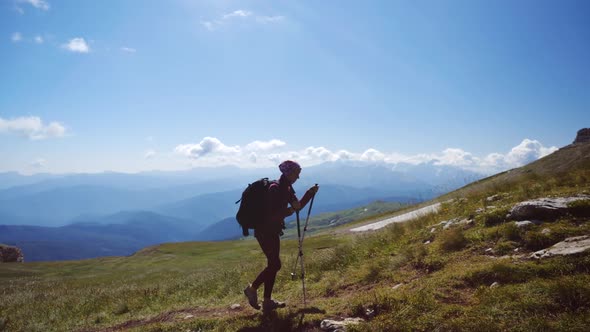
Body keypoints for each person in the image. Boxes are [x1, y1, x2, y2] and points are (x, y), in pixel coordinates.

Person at [243, 160, 319, 312]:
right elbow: (272, 214)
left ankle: (267, 301)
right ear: (289, 173)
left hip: (272, 231)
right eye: (297, 173)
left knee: (273, 264)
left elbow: (297, 207)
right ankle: (252, 289)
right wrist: (289, 211)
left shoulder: (287, 188)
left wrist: (309, 194)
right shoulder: (275, 189)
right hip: (265, 231)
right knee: (275, 265)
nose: (298, 177)